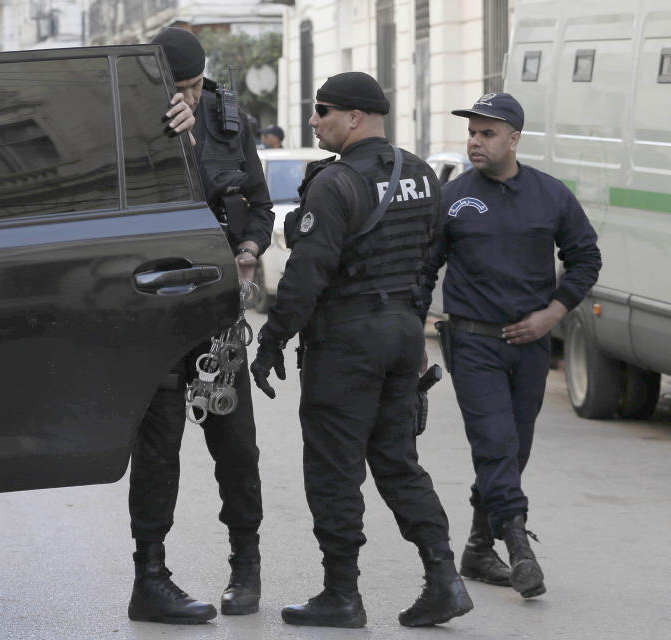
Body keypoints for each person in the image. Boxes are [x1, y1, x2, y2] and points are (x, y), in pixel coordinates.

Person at [250, 71, 473, 629]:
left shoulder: (336, 184)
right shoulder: (421, 174)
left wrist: (272, 340)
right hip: (400, 335)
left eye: (321, 110)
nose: (312, 120)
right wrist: (411, 322)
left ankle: (341, 595)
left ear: (355, 117)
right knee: (398, 462)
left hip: (347, 340)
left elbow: (305, 275)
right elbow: (429, 260)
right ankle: (444, 578)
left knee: (333, 468)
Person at [421, 93, 601, 599]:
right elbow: (423, 269)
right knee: (496, 442)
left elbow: (586, 257)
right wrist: (412, 334)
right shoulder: (452, 197)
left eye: (487, 133)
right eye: (472, 133)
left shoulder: (551, 195)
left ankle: (479, 547)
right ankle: (519, 546)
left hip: (531, 347)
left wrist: (555, 312)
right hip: (473, 341)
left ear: (514, 139)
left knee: (513, 450)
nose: (476, 142)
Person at [125, 26, 274, 625]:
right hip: (156, 312)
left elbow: (258, 204)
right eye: (176, 85)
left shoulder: (227, 119)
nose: (186, 95)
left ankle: (246, 564)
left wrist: (250, 245)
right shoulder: (130, 118)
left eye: (192, 84)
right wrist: (172, 145)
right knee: (158, 447)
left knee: (233, 443)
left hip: (215, 314)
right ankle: (150, 576)